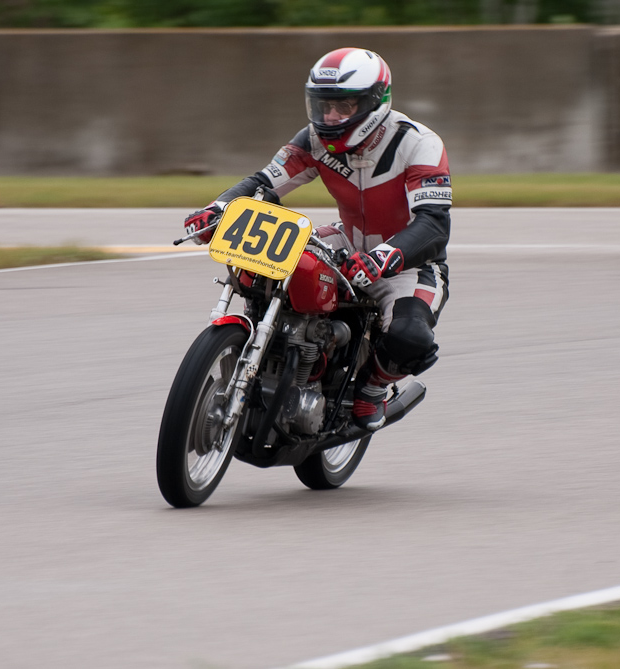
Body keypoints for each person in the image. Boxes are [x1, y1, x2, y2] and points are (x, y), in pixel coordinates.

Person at [184, 47, 451, 432]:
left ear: (375, 102)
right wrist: (218, 208)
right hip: (346, 239)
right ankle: (275, 348)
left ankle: (372, 390)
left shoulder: (418, 143)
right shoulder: (312, 138)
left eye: (343, 106)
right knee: (269, 268)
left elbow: (434, 225)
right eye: (322, 105)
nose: (329, 117)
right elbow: (264, 183)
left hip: (407, 261)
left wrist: (384, 257)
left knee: (411, 336)